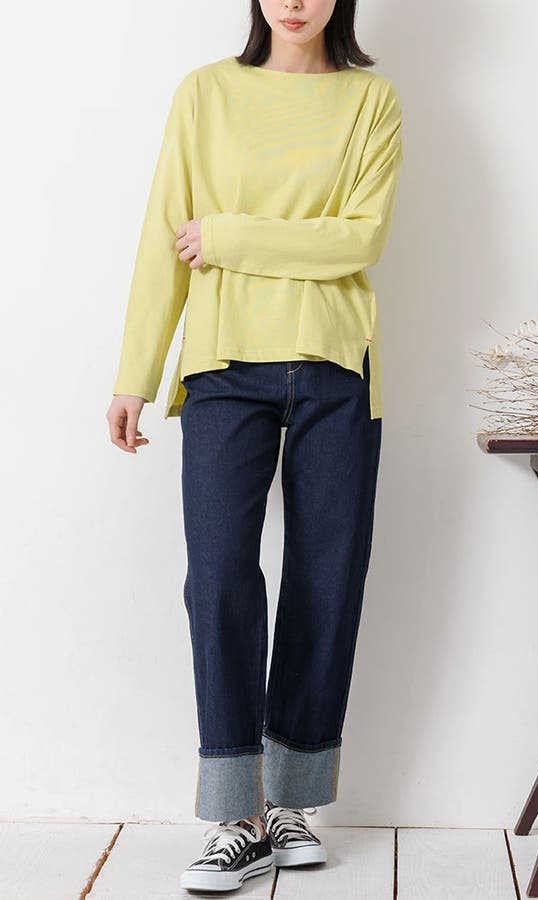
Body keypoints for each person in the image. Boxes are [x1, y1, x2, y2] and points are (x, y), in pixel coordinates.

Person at [105, 0, 403, 891]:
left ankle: (291, 805)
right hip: (223, 366)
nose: (295, 1)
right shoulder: (205, 93)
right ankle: (236, 815)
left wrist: (229, 234)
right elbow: (165, 236)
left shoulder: (371, 101)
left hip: (336, 366)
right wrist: (135, 374)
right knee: (220, 577)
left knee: (327, 578)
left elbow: (361, 240)